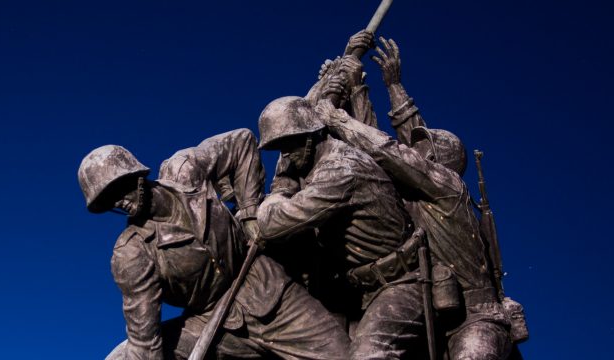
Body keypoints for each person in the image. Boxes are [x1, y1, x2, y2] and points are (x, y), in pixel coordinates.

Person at [78, 129, 349, 360]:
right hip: (212, 323)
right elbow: (144, 340)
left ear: (136, 175)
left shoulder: (184, 170)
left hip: (270, 293)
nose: (119, 203)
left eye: (118, 190)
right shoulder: (132, 254)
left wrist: (250, 213)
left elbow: (242, 142)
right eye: (108, 201)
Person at [318, 97, 513, 360]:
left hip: (475, 317)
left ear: (432, 158)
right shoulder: (412, 199)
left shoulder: (448, 186)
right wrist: (361, 90)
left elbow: (387, 151)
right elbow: (373, 152)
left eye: (416, 148)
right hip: (430, 308)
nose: (409, 150)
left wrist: (337, 119)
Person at [256, 96, 429, 360]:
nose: (285, 156)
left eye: (287, 146)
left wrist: (279, 190)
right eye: (278, 149)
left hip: (400, 283)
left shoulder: (340, 169)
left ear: (310, 137)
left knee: (369, 355)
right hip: (355, 286)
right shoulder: (317, 164)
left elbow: (272, 225)